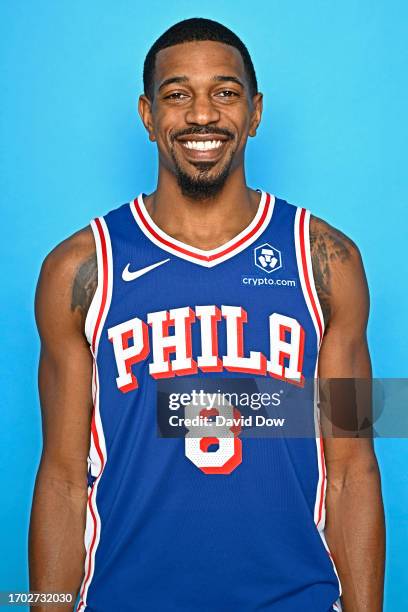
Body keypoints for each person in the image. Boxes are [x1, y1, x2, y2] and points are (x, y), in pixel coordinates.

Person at [29, 17, 385, 612]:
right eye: (177, 95)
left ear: (255, 111)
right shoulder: (80, 269)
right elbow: (63, 479)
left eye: (225, 92)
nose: (201, 115)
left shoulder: (327, 261)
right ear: (147, 115)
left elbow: (352, 469)